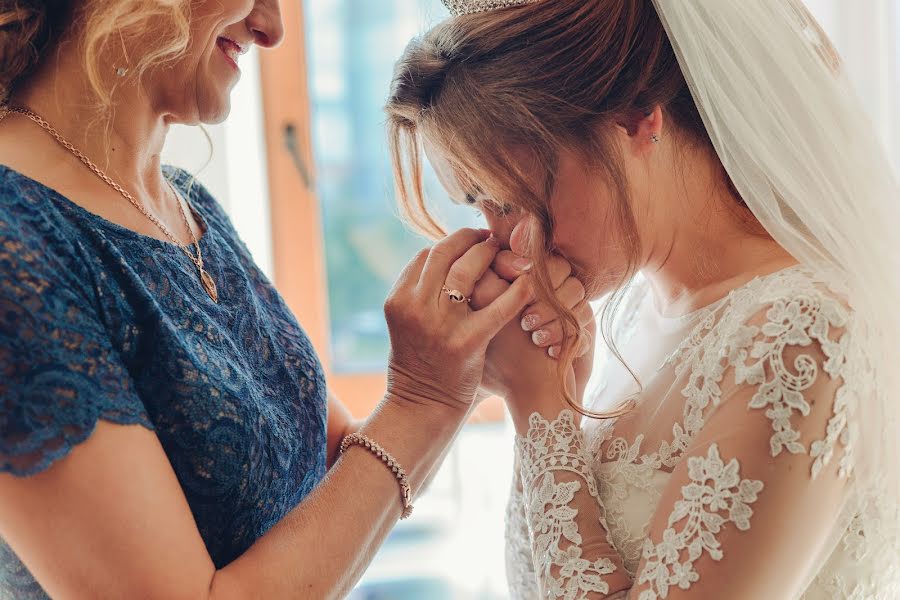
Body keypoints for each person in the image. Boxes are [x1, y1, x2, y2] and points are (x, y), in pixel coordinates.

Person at [0, 0, 592, 597]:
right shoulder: (13, 243)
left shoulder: (187, 205)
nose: (272, 28)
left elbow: (339, 480)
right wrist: (424, 397)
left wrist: (469, 349)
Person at [386, 0, 900, 598]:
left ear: (634, 118)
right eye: (479, 206)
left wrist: (540, 409)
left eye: (509, 197)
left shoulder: (803, 335)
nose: (501, 239)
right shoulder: (633, 318)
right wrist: (560, 396)